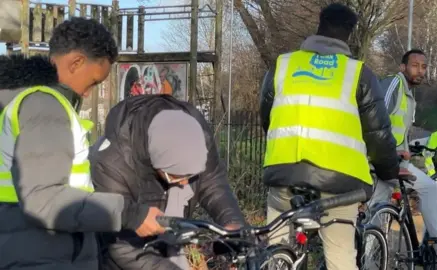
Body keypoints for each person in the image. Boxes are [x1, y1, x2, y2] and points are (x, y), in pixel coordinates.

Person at [0, 18, 163, 270]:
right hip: (44, 255)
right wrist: (130, 214)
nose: (88, 93)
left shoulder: (18, 99)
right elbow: (44, 199)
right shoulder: (45, 106)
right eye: (94, 82)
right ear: (76, 63)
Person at [259, 3, 399, 270]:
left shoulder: (282, 66)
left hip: (284, 176)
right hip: (338, 186)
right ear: (350, 33)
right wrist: (389, 171)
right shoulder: (359, 74)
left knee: (275, 251)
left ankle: (278, 259)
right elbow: (378, 135)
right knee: (340, 258)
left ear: (319, 25)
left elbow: (268, 119)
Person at [89, 94, 246, 270]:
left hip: (167, 253)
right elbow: (119, 244)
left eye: (192, 175)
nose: (184, 183)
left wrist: (233, 224)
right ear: (155, 161)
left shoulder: (195, 133)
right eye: (176, 176)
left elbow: (213, 183)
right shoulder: (113, 163)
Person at [369, 49, 437, 269]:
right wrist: (390, 151)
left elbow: (400, 132)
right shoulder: (394, 85)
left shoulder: (409, 95)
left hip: (395, 160)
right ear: (402, 67)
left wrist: (409, 149)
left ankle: (435, 248)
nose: (420, 71)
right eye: (415, 65)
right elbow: (376, 119)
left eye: (424, 67)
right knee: (428, 188)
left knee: (382, 212)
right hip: (383, 160)